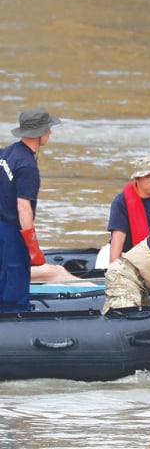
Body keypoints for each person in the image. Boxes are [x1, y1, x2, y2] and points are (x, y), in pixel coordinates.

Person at [0, 108, 61, 312]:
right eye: (48, 129)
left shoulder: (6, 153)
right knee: (15, 289)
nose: (50, 134)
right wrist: (32, 246)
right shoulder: (27, 166)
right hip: (12, 232)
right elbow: (23, 207)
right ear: (40, 132)